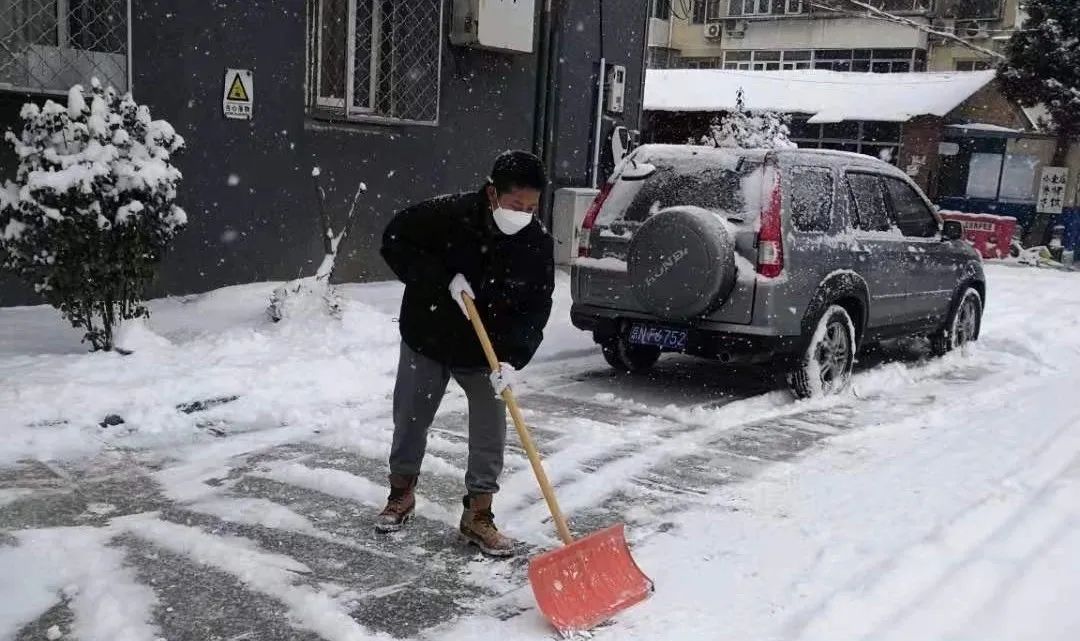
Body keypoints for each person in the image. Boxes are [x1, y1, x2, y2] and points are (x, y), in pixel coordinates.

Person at [377, 150, 555, 557]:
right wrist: (442, 281)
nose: (523, 214)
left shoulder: (536, 242)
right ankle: (401, 493)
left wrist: (515, 359)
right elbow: (394, 239)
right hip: (430, 334)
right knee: (411, 417)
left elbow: (537, 305)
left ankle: (478, 515)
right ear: (493, 193)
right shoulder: (448, 215)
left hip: (486, 349)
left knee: (491, 430)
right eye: (515, 205)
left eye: (531, 207)